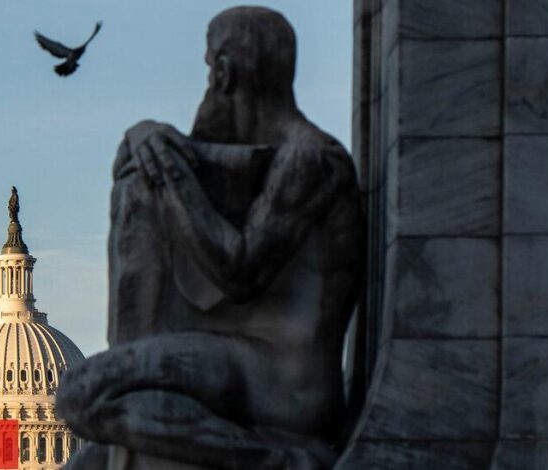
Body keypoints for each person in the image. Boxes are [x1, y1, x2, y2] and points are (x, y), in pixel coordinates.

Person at [60, 7, 363, 469]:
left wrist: (172, 175)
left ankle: (279, 462)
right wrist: (145, 136)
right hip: (245, 365)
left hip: (285, 386)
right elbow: (201, 152)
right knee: (88, 463)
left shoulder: (312, 158)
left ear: (224, 71)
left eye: (208, 66)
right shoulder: (287, 156)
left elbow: (240, 270)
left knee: (83, 394)